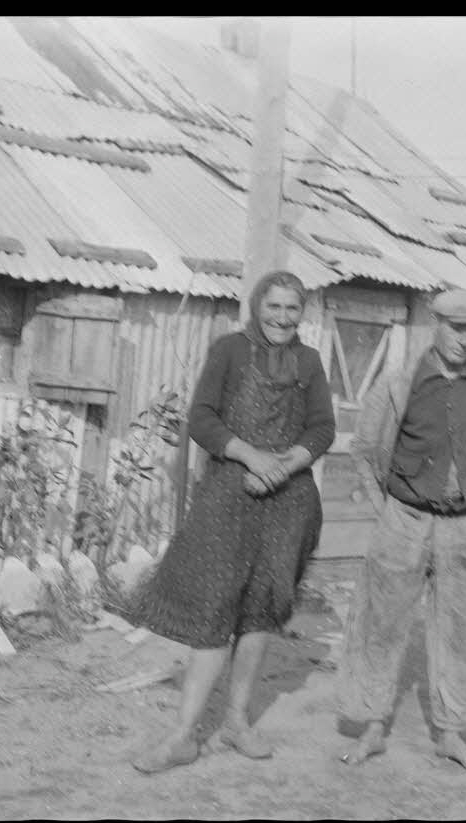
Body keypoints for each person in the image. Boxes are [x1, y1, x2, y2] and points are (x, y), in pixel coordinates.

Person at [126, 270, 335, 774]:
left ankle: (237, 722)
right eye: (273, 306)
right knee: (215, 611)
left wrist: (286, 464)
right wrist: (250, 456)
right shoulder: (229, 351)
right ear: (257, 307)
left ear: (302, 313)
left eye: (292, 308)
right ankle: (183, 736)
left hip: (288, 501)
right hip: (229, 496)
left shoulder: (309, 362)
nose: (282, 317)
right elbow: (201, 418)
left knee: (261, 611)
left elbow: (322, 427)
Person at [335, 288, 466, 773]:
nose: (465, 340)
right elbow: (364, 447)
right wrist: (385, 509)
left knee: (464, 627)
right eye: (457, 329)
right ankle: (373, 727)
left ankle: (451, 734)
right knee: (381, 621)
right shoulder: (398, 383)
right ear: (436, 324)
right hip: (405, 519)